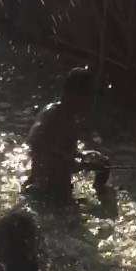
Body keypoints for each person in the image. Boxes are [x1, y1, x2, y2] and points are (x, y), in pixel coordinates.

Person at [26, 67, 109, 202]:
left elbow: (61, 149)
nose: (93, 101)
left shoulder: (72, 120)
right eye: (90, 95)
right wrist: (76, 163)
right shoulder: (52, 114)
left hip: (60, 195)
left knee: (102, 162)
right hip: (43, 195)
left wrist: (83, 156)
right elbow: (36, 143)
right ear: (74, 94)